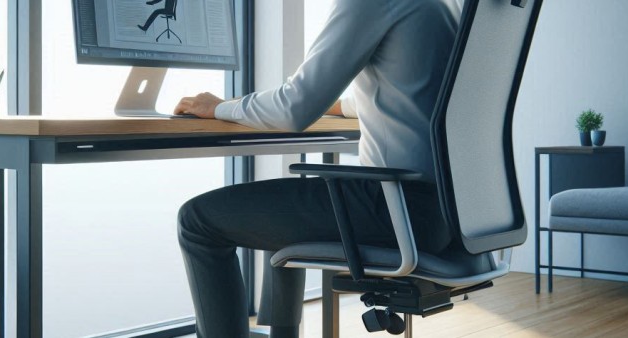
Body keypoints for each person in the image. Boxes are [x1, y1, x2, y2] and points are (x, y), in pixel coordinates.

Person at [174, 0, 462, 337]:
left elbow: (296, 107)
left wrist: (220, 107)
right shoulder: (442, 5)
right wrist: (341, 102)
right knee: (282, 203)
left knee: (197, 220)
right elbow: (417, 90)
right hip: (447, 214)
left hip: (396, 212)